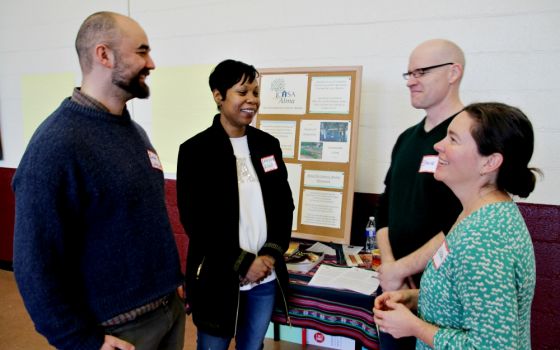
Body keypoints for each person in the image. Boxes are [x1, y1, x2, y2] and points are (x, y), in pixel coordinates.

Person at [12, 11, 185, 350]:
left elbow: (141, 219)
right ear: (103, 55)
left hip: (168, 312)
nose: (151, 63)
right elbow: (34, 264)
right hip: (119, 334)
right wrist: (81, 341)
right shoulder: (55, 146)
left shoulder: (134, 133)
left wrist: (171, 281)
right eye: (141, 51)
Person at [373, 102, 538, 349]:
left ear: (489, 162)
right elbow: (466, 300)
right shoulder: (476, 215)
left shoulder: (485, 240)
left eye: (453, 139)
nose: (438, 145)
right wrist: (415, 298)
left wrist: (414, 326)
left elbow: (495, 347)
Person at [176, 59, 294, 350]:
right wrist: (244, 263)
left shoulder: (268, 145)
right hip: (218, 279)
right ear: (218, 95)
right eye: (242, 92)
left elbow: (283, 205)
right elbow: (196, 222)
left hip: (264, 278)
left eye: (255, 92)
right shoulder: (196, 151)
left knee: (252, 347)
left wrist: (268, 256)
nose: (251, 100)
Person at [374, 38, 465, 349]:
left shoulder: (470, 140)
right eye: (408, 73)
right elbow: (385, 208)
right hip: (394, 289)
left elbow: (463, 223)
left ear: (454, 72)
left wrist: (404, 267)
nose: (411, 81)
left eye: (421, 72)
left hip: (441, 294)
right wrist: (390, 268)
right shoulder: (406, 139)